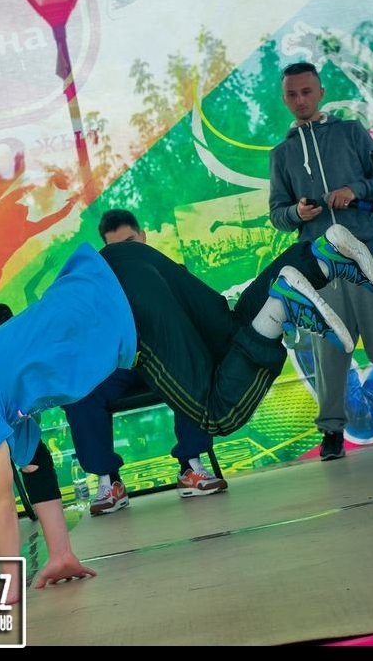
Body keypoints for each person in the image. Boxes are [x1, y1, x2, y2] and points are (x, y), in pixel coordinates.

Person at [0, 224, 373, 600]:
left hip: (124, 311)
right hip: (125, 263)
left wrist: (7, 586)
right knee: (228, 336)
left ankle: (281, 306)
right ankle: (319, 255)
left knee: (216, 414)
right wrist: (61, 553)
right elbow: (35, 470)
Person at [64, 210, 227, 517]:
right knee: (81, 391)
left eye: (130, 242)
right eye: (116, 248)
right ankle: (108, 482)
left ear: (143, 236)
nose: (126, 251)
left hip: (169, 362)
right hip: (123, 368)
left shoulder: (172, 272)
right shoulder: (101, 287)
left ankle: (191, 466)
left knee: (192, 366)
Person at [269, 61, 373, 461]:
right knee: (329, 350)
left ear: (320, 92)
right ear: (284, 99)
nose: (300, 100)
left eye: (306, 91)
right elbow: (277, 213)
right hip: (320, 266)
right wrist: (296, 213)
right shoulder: (282, 153)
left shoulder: (351, 132)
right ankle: (332, 431)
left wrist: (354, 190)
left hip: (366, 253)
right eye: (292, 94)